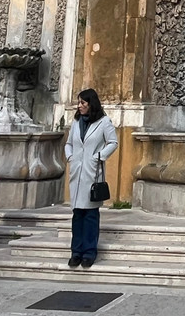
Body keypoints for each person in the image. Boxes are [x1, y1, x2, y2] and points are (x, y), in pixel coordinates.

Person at [64, 88, 118, 269]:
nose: (79, 106)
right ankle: (75, 251)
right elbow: (69, 143)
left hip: (92, 173)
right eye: (79, 103)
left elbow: (113, 142)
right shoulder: (76, 122)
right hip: (77, 172)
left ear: (91, 104)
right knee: (77, 214)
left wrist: (99, 156)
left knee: (90, 215)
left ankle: (89, 252)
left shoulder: (104, 122)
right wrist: (70, 156)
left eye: (83, 103)